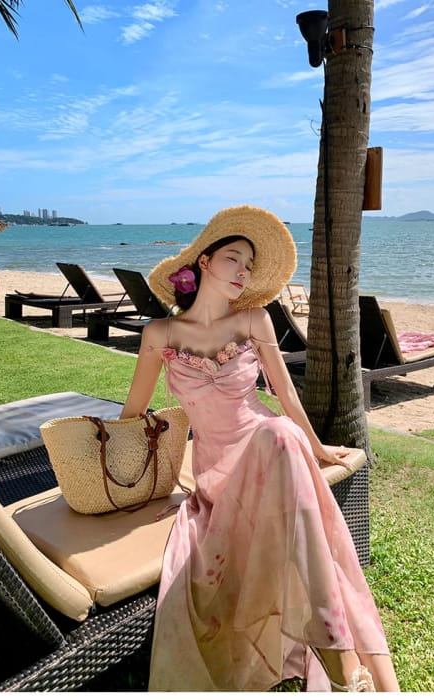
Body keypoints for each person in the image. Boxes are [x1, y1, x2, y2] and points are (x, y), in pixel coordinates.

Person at [120, 205, 400, 692]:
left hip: (273, 447)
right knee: (283, 443)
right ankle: (348, 665)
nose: (243, 272)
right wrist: (113, 460)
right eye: (233, 258)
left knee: (281, 433)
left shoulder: (254, 320)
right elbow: (133, 413)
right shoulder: (160, 334)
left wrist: (318, 446)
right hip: (218, 473)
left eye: (249, 266)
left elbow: (286, 394)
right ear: (203, 261)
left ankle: (344, 664)